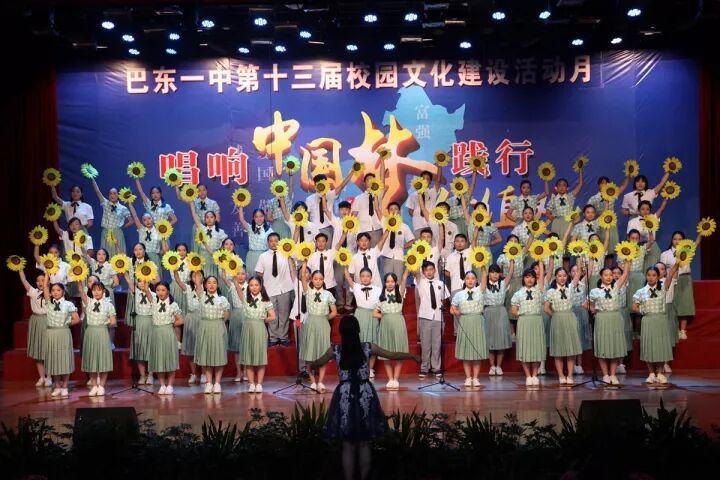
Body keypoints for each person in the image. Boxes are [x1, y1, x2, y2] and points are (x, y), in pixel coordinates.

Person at [308, 315, 420, 480]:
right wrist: (412, 356)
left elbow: (317, 363)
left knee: (348, 443)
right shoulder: (368, 347)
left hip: (345, 395)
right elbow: (392, 355)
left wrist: (310, 366)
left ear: (341, 332)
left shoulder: (335, 350)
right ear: (358, 330)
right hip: (364, 393)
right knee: (364, 441)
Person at [632, 264, 680, 384]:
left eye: (654, 275)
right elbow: (634, 307)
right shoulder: (641, 291)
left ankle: (659, 372)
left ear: (658, 276)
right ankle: (651, 373)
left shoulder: (663, 287)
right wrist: (643, 311)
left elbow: (671, 274)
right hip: (648, 321)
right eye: (648, 275)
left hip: (661, 321)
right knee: (648, 346)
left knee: (661, 346)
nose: (651, 277)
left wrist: (678, 262)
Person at [589, 263, 631, 385]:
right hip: (602, 319)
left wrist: (627, 260)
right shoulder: (595, 291)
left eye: (610, 275)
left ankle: (613, 374)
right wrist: (594, 310)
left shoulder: (616, 287)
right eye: (605, 275)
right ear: (601, 276)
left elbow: (625, 274)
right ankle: (605, 374)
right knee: (602, 346)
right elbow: (587, 304)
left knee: (614, 346)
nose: (608, 277)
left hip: (615, 318)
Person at [300, 263, 337, 392]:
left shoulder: (328, 294)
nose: (318, 281)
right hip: (310, 324)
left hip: (323, 325)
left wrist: (324, 318)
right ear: (312, 279)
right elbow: (303, 277)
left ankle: (320, 381)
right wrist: (304, 262)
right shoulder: (308, 292)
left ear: (323, 280)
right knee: (309, 353)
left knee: (322, 354)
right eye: (315, 279)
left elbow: (334, 312)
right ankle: (313, 381)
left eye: (320, 279)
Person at [234, 275, 274, 393]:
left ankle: (259, 384)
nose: (254, 287)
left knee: (260, 357)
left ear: (261, 286)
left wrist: (262, 320)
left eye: (256, 285)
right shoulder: (245, 298)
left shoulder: (265, 300)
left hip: (260, 329)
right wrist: (234, 277)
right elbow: (237, 288)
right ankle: (251, 384)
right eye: (251, 285)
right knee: (249, 358)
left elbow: (273, 316)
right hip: (248, 329)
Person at [660, 230, 703, 340]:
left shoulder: (688, 251)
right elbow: (662, 269)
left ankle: (682, 330)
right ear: (671, 240)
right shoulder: (665, 254)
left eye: (680, 239)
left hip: (685, 279)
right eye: (675, 239)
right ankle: (673, 329)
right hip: (671, 281)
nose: (677, 241)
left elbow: (696, 243)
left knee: (684, 304)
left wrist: (701, 233)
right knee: (672, 304)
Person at [142, 281, 183, 394]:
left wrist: (170, 324)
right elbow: (147, 292)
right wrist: (146, 285)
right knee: (158, 359)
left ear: (168, 291)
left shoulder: (173, 305)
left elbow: (181, 320)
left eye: (163, 290)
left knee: (169, 359)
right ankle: (162, 385)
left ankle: (170, 385)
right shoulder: (154, 302)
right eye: (158, 290)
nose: (160, 292)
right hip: (156, 333)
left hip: (168, 333)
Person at [42, 275, 80, 398]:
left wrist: (66, 323)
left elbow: (77, 319)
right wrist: (47, 274)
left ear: (63, 291)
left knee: (64, 360)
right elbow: (45, 287)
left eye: (58, 290)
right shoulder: (49, 303)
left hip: (63, 333)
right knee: (54, 360)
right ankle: (57, 386)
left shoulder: (69, 304)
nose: (55, 292)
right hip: (51, 334)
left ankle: (65, 386)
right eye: (53, 290)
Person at [544, 267, 583, 385]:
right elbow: (546, 308)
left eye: (564, 276)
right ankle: (561, 375)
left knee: (571, 349)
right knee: (558, 349)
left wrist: (579, 258)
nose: (562, 278)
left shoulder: (570, 288)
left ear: (567, 277)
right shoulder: (551, 291)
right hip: (557, 319)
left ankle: (570, 375)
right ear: (556, 277)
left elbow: (578, 273)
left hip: (570, 318)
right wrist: (556, 316)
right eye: (559, 276)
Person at [450, 270, 488, 387]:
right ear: (464, 280)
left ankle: (475, 378)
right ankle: (468, 377)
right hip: (465, 322)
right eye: (467, 278)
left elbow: (484, 276)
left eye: (472, 278)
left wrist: (482, 266)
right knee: (466, 351)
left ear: (476, 280)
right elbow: (452, 309)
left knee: (476, 351)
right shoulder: (459, 294)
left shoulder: (480, 291)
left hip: (477, 322)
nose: (470, 281)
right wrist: (459, 312)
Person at [255, 233, 294, 347]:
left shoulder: (285, 253)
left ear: (280, 242)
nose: (273, 243)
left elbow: (293, 243)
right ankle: (273, 338)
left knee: (284, 314)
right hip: (269, 289)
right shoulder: (263, 256)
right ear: (268, 242)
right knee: (272, 315)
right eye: (271, 241)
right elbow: (258, 272)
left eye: (276, 240)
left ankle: (283, 337)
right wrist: (268, 277)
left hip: (284, 289)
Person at [194, 275, 231, 394]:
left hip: (218, 327)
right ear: (205, 285)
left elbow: (226, 316)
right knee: (207, 355)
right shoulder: (202, 296)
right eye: (209, 282)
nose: (211, 285)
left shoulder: (222, 299)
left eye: (214, 282)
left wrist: (218, 323)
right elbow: (197, 284)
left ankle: (217, 383)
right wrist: (197, 273)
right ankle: (209, 383)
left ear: (217, 285)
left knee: (218, 355)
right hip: (205, 327)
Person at [373, 271, 410, 390]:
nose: (390, 284)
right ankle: (390, 378)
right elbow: (374, 313)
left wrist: (407, 269)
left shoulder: (400, 293)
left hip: (398, 323)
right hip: (386, 325)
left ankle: (396, 378)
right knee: (387, 353)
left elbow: (404, 279)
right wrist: (384, 316)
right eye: (387, 281)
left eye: (392, 281)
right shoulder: (381, 297)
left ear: (395, 283)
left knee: (398, 352)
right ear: (384, 283)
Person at [511, 263, 546, 386]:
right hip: (524, 322)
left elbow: (542, 274)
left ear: (535, 279)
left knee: (536, 348)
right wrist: (522, 314)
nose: (529, 279)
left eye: (532, 277)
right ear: (523, 279)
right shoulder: (518, 294)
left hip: (536, 321)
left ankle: (535, 375)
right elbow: (513, 310)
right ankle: (528, 376)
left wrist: (540, 260)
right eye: (527, 277)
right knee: (525, 348)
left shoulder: (539, 290)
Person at [78, 280, 116, 396]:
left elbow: (113, 322)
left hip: (102, 332)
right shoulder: (88, 302)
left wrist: (104, 324)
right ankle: (94, 385)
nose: (96, 292)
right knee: (91, 359)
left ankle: (102, 386)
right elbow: (81, 290)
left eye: (99, 290)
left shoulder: (108, 305)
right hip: (90, 333)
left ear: (103, 291)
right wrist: (79, 279)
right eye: (94, 290)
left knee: (103, 360)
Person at [344, 266, 381, 376]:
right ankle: (360, 367)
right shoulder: (356, 287)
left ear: (371, 277)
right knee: (359, 342)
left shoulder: (378, 289)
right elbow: (348, 277)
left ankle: (370, 369)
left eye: (368, 276)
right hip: (360, 316)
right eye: (363, 276)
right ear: (359, 277)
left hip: (372, 315)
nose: (365, 278)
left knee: (372, 342)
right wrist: (344, 264)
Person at [414, 260, 449, 379]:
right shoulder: (421, 282)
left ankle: (436, 367)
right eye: (426, 270)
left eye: (431, 269)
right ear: (423, 272)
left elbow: (444, 300)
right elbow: (416, 273)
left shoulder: (440, 283)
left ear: (434, 270)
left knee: (436, 344)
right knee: (425, 344)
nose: (429, 272)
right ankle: (424, 368)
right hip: (425, 316)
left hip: (438, 316)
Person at [16, 269, 50, 386]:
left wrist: (48, 274)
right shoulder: (33, 292)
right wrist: (20, 269)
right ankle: (42, 377)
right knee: (37, 350)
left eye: (43, 280)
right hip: (35, 321)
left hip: (47, 320)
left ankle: (49, 377)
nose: (40, 282)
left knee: (47, 350)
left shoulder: (52, 293)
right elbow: (24, 280)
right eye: (38, 280)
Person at [173, 268, 205, 385]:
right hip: (191, 318)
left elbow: (201, 294)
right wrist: (175, 269)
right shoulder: (188, 288)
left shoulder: (206, 289)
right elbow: (178, 280)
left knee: (202, 347)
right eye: (194, 276)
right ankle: (193, 373)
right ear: (190, 278)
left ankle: (204, 373)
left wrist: (198, 283)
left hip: (202, 318)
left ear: (203, 277)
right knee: (191, 348)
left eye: (199, 275)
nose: (196, 278)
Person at [123, 270, 155, 386]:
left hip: (150, 323)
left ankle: (150, 374)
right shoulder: (135, 293)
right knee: (139, 349)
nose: (142, 283)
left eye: (144, 281)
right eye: (140, 281)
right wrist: (124, 270)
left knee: (150, 350)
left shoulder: (154, 294)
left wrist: (147, 290)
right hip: (138, 323)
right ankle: (142, 375)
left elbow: (153, 303)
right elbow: (128, 281)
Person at [88, 177, 132, 257]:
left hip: (117, 233)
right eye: (110, 193)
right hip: (106, 233)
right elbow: (97, 191)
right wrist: (92, 178)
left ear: (118, 195)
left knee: (118, 255)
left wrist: (120, 228)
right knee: (106, 254)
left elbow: (131, 221)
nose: (112, 195)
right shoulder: (105, 204)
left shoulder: (123, 208)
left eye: (114, 193)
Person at [587, 175, 630, 253]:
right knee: (601, 246)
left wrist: (628, 174)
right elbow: (588, 211)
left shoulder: (612, 195)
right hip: (599, 224)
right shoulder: (593, 198)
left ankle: (610, 261)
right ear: (598, 185)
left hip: (611, 223)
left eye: (606, 183)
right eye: (602, 183)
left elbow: (623, 186)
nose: (604, 185)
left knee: (612, 245)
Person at [484, 263, 513, 375]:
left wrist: (512, 260)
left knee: (501, 340)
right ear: (489, 273)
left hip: (501, 312)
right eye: (492, 272)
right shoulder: (484, 284)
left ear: (500, 274)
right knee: (490, 340)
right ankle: (492, 366)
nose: (495, 274)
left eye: (497, 272)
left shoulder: (503, 284)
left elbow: (510, 274)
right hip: (489, 312)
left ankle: (499, 366)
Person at [238, 206, 273, 276]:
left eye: (261, 216)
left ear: (264, 217)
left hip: (263, 256)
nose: (259, 219)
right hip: (251, 256)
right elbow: (242, 219)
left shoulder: (269, 231)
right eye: (256, 217)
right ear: (253, 218)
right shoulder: (250, 228)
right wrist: (241, 205)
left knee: (262, 278)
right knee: (251, 277)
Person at [406, 169, 440, 238]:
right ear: (420, 180)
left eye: (427, 179)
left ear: (430, 181)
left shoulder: (433, 192)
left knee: (431, 243)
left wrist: (440, 166)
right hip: (418, 225)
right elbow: (410, 211)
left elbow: (438, 181)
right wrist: (417, 215)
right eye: (423, 178)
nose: (425, 180)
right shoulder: (413, 195)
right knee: (419, 244)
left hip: (431, 224)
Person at [127, 202, 162, 267]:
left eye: (149, 218)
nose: (147, 221)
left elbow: (163, 248)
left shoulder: (159, 232)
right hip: (142, 257)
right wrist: (130, 204)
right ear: (142, 222)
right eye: (144, 220)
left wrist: (156, 254)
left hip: (154, 258)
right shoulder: (141, 229)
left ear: (152, 219)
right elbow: (135, 216)